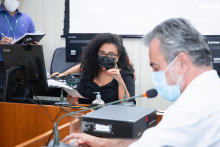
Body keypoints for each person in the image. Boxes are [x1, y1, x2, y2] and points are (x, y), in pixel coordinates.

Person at [63, 18, 220, 146]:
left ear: (182, 63)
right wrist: (101, 142)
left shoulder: (192, 109)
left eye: (156, 67)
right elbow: (150, 142)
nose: (154, 74)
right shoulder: (210, 92)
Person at [67, 33, 135, 105]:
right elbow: (80, 101)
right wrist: (73, 101)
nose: (106, 57)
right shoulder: (89, 73)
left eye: (111, 54)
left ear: (117, 58)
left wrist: (119, 80)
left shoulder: (125, 75)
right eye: (102, 53)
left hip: (112, 115)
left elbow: (126, 103)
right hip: (87, 114)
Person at [0, 0, 38, 98]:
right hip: (1, 66)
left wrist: (34, 45)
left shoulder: (27, 19)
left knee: (22, 102)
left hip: (23, 66)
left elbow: (32, 42)